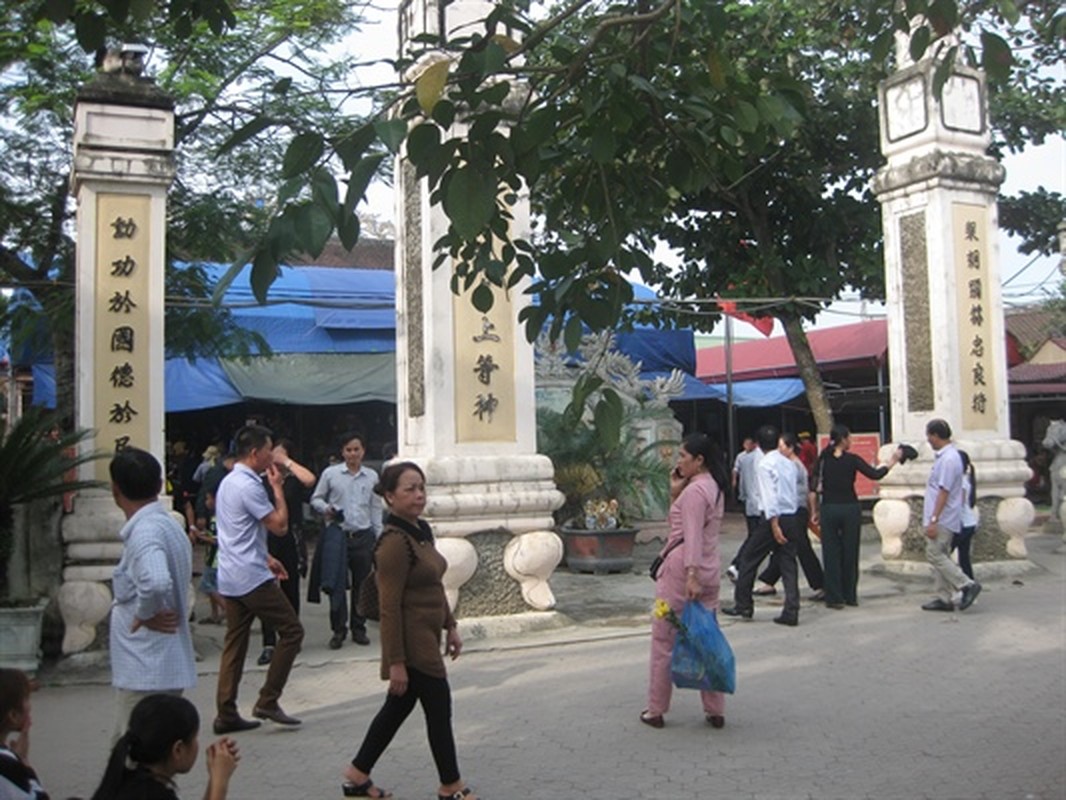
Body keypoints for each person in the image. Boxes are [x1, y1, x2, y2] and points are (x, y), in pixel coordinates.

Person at [341, 462, 478, 800]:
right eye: (410, 489)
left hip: (429, 635)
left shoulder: (420, 531)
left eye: (421, 488)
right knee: (439, 710)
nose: (419, 495)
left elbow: (434, 584)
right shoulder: (394, 543)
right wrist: (396, 663)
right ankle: (451, 786)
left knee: (397, 709)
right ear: (390, 496)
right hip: (412, 644)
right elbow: (389, 608)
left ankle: (357, 775)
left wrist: (450, 626)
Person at [213, 424, 305, 734]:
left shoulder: (229, 481)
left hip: (232, 574)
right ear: (255, 453)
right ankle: (268, 699)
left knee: (234, 644)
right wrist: (277, 489)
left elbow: (236, 532)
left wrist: (266, 556)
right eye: (269, 451)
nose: (273, 456)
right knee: (292, 631)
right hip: (251, 577)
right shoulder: (249, 486)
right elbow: (279, 526)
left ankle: (226, 712)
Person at [641, 433, 731, 731]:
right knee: (707, 638)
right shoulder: (713, 488)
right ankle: (715, 709)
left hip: (683, 570)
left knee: (664, 638)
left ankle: (656, 709)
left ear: (699, 460)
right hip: (710, 567)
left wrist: (691, 574)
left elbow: (690, 535)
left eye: (683, 456)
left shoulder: (695, 493)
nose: (678, 461)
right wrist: (675, 493)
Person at [108, 448, 197, 742]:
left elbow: (156, 581)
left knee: (134, 752)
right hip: (156, 665)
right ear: (159, 485)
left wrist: (144, 614)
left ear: (115, 490)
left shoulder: (145, 532)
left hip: (146, 668)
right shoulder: (166, 525)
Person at [809, 425, 902, 609]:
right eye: (849, 438)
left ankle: (834, 597)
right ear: (843, 439)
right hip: (850, 508)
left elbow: (813, 489)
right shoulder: (852, 460)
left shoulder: (823, 460)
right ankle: (850, 595)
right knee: (850, 552)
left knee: (831, 553)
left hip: (829, 508)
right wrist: (893, 460)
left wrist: (814, 511)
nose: (850, 441)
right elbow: (875, 474)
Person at [309, 431, 383, 650]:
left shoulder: (371, 476)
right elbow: (315, 499)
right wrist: (327, 508)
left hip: (363, 536)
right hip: (338, 536)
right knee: (337, 585)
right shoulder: (330, 474)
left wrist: (379, 535)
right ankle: (338, 630)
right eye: (348, 450)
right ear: (342, 452)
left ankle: (359, 628)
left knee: (362, 585)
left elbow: (376, 507)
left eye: (356, 449)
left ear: (363, 451)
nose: (353, 454)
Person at [722, 424, 802, 626]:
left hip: (773, 518)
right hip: (791, 515)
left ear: (758, 444)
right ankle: (792, 609)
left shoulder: (765, 465)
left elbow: (769, 496)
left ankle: (743, 604)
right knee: (788, 563)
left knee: (749, 558)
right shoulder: (789, 464)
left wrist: (774, 523)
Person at [90, 694, 239, 800]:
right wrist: (221, 781)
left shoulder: (127, 780)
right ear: (178, 749)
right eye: (195, 738)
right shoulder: (154, 795)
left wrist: (213, 779)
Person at [257, 439, 316, 666]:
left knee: (290, 589)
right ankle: (269, 643)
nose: (276, 458)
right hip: (267, 540)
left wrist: (287, 463)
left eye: (280, 454)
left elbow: (310, 480)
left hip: (291, 539)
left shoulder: (292, 481)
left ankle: (291, 636)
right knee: (268, 590)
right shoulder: (260, 480)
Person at [752, 432, 825, 601]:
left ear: (791, 448)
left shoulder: (793, 466)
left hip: (795, 511)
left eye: (781, 446)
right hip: (792, 511)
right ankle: (769, 580)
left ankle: (820, 583)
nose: (779, 450)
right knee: (784, 547)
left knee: (801, 549)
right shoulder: (788, 464)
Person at [921, 419, 982, 612]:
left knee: (934, 554)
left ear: (935, 435)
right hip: (943, 516)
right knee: (942, 555)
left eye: (929, 435)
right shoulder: (946, 457)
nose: (928, 440)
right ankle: (944, 597)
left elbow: (944, 491)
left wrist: (934, 519)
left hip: (943, 517)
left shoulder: (948, 459)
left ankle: (966, 584)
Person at [192, 451, 235, 626]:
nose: (206, 501)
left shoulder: (220, 518)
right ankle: (216, 613)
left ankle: (228, 611)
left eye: (209, 499)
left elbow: (219, 540)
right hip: (212, 556)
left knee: (208, 585)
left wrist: (203, 538)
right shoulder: (216, 474)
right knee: (212, 584)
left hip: (216, 557)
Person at [0, 668, 48, 800]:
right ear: (13, 715)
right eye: (27, 699)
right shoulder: (6, 764)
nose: (30, 707)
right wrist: (24, 763)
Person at [725, 434, 762, 583]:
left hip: (751, 503)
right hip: (760, 505)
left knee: (755, 537)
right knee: (756, 538)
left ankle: (740, 567)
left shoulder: (746, 458)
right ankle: (739, 566)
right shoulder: (752, 458)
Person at [952, 450, 978, 581]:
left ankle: (960, 583)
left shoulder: (961, 481)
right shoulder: (966, 480)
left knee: (942, 556)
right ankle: (970, 583)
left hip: (962, 524)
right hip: (969, 523)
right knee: (964, 558)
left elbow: (959, 504)